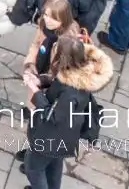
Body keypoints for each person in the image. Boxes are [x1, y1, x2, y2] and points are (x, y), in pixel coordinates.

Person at [20, 36, 112, 189]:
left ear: (62, 59)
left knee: (33, 169)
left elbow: (53, 116)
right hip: (65, 136)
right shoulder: (78, 73)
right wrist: (41, 81)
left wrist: (35, 91)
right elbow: (59, 82)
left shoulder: (71, 94)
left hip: (51, 137)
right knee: (54, 166)